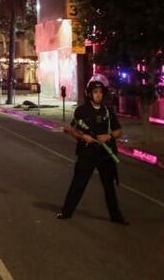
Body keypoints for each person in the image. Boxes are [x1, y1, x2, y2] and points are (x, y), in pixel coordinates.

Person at [57, 79, 129, 225]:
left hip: (105, 154)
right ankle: (66, 212)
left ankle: (116, 216)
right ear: (89, 94)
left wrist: (108, 136)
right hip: (87, 152)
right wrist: (83, 136)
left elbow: (119, 131)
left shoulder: (108, 111)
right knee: (78, 184)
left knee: (109, 187)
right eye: (95, 92)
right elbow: (72, 130)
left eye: (100, 92)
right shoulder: (81, 111)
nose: (98, 95)